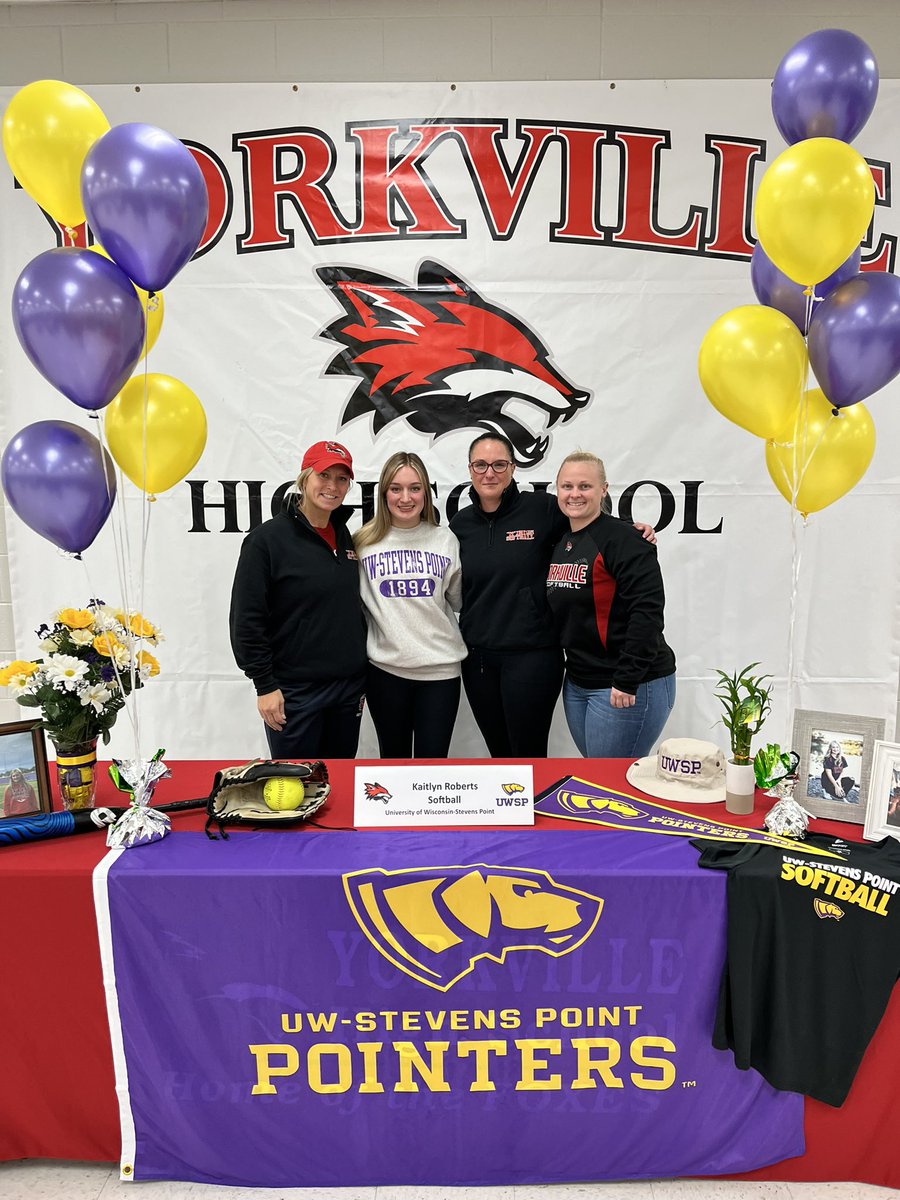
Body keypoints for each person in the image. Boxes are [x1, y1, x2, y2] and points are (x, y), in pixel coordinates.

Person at [449, 433, 656, 758]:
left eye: (499, 464)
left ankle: (532, 809)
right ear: (470, 469)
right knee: (499, 754)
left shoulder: (542, 509)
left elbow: (591, 522)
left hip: (532, 656)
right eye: (481, 465)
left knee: (528, 755)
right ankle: (509, 811)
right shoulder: (460, 524)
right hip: (478, 660)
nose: (490, 473)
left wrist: (629, 529)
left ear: (513, 468)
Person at [229, 440, 367, 759]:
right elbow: (246, 620)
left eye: (342, 478)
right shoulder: (266, 541)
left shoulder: (345, 537)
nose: (332, 486)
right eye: (324, 475)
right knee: (295, 788)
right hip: (294, 693)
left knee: (340, 786)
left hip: (347, 690)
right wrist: (264, 685)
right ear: (304, 478)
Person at [546, 451, 676, 758]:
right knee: (596, 773)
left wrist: (627, 680)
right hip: (579, 682)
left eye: (584, 486)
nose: (574, 494)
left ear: (603, 489)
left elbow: (647, 612)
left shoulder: (624, 540)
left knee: (610, 786)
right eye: (567, 486)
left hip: (626, 684)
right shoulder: (564, 540)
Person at [354, 452, 466, 758]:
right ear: (383, 494)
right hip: (385, 673)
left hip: (440, 674)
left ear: (426, 493)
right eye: (396, 488)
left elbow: (455, 600)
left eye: (415, 488)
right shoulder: (362, 543)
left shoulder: (445, 540)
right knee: (393, 762)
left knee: (432, 765)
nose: (406, 497)